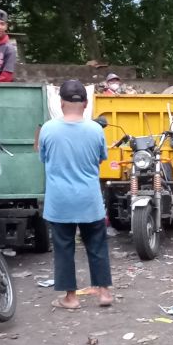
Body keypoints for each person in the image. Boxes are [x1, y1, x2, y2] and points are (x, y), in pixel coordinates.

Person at [38, 80, 113, 309]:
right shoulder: (95, 129)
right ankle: (103, 293)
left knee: (64, 248)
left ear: (61, 103)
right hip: (89, 200)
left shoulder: (48, 129)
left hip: (60, 202)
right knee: (97, 245)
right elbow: (101, 158)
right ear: (86, 103)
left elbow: (44, 159)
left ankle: (71, 298)